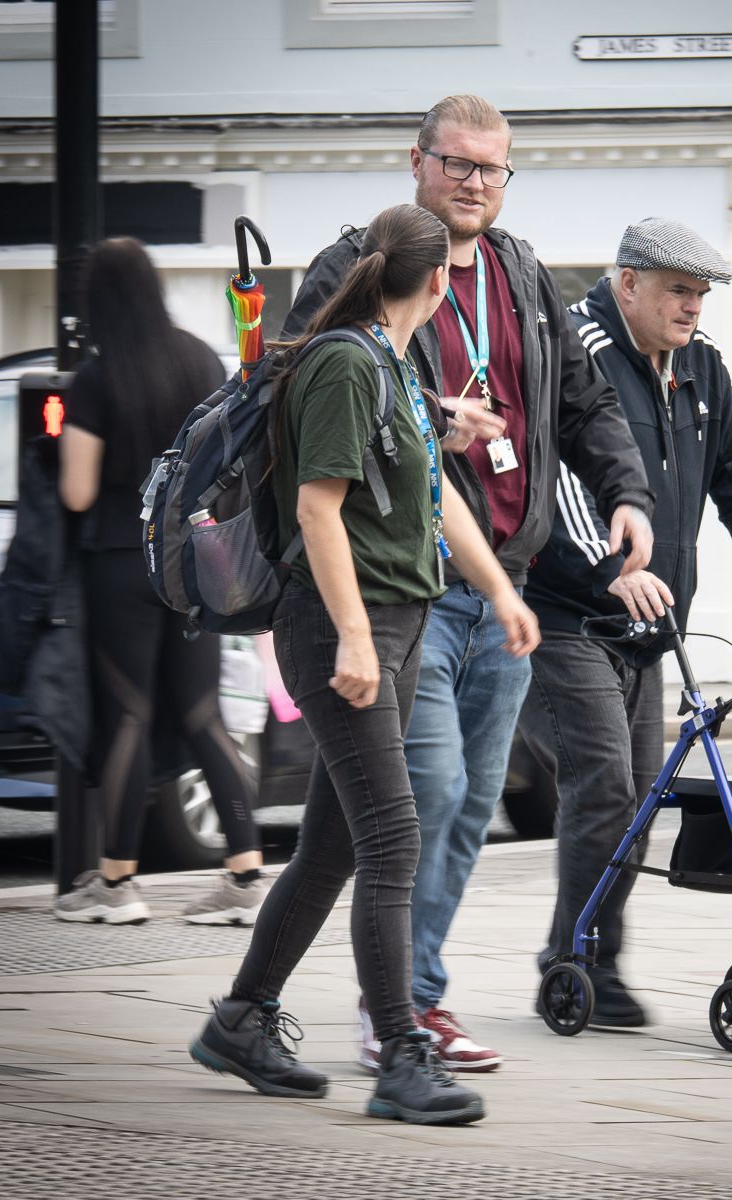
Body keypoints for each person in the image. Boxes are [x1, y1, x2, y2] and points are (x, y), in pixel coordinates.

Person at [281, 95, 654, 1072]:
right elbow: (297, 386)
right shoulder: (358, 262)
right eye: (459, 164)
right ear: (418, 162)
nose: (476, 183)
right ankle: (391, 1015)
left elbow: (585, 401)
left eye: (493, 169)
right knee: (429, 794)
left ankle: (383, 1003)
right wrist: (424, 415)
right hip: (401, 593)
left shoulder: (521, 273)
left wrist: (626, 495)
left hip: (499, 584)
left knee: (457, 805)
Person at [190, 203, 541, 1125]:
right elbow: (317, 510)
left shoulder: (390, 362)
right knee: (393, 838)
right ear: (435, 283)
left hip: (392, 625)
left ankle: (240, 1020)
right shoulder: (348, 363)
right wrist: (350, 635)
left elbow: (434, 502)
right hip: (345, 632)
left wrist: (500, 593)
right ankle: (401, 1056)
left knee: (333, 849)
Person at [518, 218, 732, 1025]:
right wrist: (611, 569)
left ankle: (578, 958)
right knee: (606, 787)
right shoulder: (577, 349)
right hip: (564, 615)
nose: (692, 308)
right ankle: (583, 964)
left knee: (631, 798)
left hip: (647, 624)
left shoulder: (699, 367)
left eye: (700, 294)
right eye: (677, 292)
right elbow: (554, 480)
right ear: (628, 283)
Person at [55, 237, 268, 927]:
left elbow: (78, 492)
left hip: (121, 562)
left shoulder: (96, 377)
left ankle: (116, 885)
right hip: (192, 564)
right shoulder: (199, 358)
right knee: (203, 715)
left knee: (129, 715)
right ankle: (243, 877)